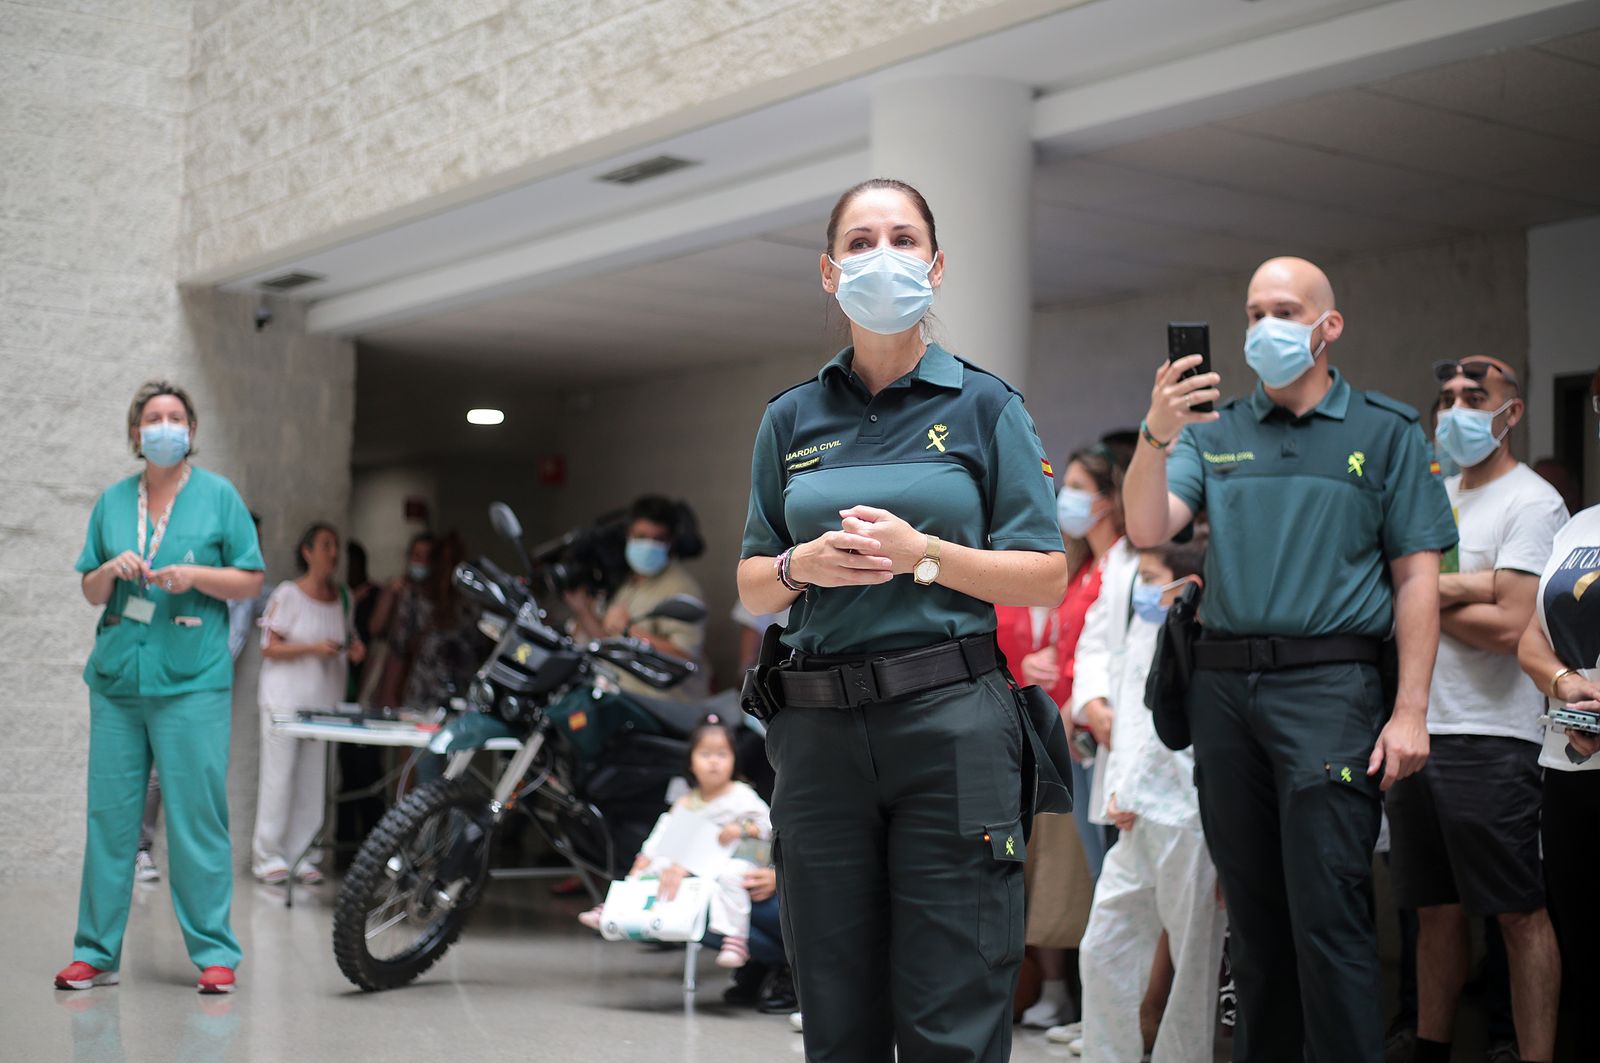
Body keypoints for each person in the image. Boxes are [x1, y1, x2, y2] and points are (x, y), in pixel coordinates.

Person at [737, 178, 1067, 1061]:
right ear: (828, 271)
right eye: (860, 241)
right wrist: (798, 566)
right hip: (818, 735)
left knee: (950, 1007)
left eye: (903, 238)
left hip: (949, 725)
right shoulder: (789, 417)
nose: (882, 256)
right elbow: (754, 581)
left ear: (937, 263)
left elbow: (1045, 573)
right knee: (836, 1009)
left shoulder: (986, 405)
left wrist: (926, 554)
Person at [1123, 257, 1457, 1062]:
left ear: (1327, 326)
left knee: (1330, 913)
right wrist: (1156, 433)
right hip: (1224, 690)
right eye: (1253, 312)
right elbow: (1147, 526)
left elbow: (1418, 577)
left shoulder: (1385, 429)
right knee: (1253, 922)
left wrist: (1411, 709)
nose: (1264, 326)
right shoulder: (1215, 429)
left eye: (1284, 310)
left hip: (1330, 686)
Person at [1386, 356, 1567, 1063]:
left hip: (1495, 736)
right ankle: (1433, 1048)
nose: (1455, 410)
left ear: (1510, 413)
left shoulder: (1533, 503)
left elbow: (1513, 626)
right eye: (1447, 398)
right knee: (1434, 910)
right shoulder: (1432, 496)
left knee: (1518, 913)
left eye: (1474, 396)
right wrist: (1476, 585)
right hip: (1420, 728)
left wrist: (1420, 591)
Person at [57, 381, 264, 995]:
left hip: (191, 681)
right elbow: (91, 590)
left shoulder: (218, 497)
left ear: (191, 432)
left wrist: (195, 575)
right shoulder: (113, 501)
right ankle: (95, 953)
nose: (165, 426)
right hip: (119, 678)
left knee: (198, 817)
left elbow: (250, 580)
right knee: (110, 819)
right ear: (135, 433)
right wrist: (109, 569)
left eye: (176, 417)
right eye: (154, 418)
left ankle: (215, 953)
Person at [1073, 529, 1226, 1062]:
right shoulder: (1145, 629)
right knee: (1104, 945)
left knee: (1192, 964)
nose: (1143, 591)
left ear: (1190, 585)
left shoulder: (1211, 639)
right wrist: (1123, 785)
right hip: (1136, 813)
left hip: (1191, 819)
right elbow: (1133, 721)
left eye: (1153, 580)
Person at [1011, 440, 1131, 1033]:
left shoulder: (1123, 565)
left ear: (1109, 499)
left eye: (1080, 489)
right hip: (1075, 739)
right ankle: (1105, 1013)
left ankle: (1115, 1015)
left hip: (1102, 735)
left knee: (1111, 876)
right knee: (1100, 871)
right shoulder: (1086, 568)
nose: (1067, 500)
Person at [1517, 364, 1600, 1049]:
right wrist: (1566, 681)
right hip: (1572, 764)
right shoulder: (1581, 526)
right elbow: (1530, 637)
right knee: (1580, 943)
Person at [579, 718, 771, 969]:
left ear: (734, 760)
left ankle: (735, 938)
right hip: (693, 861)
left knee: (731, 877)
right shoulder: (686, 800)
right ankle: (615, 909)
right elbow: (665, 831)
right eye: (706, 754)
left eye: (722, 755)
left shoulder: (741, 795)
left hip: (733, 858)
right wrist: (646, 856)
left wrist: (742, 828)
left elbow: (767, 824)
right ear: (691, 762)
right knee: (651, 867)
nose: (714, 761)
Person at [136, 509, 263, 886]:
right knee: (157, 770)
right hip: (174, 681)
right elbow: (141, 607)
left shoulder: (250, 588)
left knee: (201, 769)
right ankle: (139, 850)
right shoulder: (189, 573)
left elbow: (286, 599)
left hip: (213, 690)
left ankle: (193, 858)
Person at [251, 523, 366, 885]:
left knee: (315, 783)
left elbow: (350, 636)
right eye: (326, 545)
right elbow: (269, 646)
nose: (333, 553)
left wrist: (355, 649)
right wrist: (313, 648)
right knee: (279, 779)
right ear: (307, 551)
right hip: (284, 702)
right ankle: (268, 855)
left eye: (336, 546)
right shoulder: (288, 593)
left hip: (325, 704)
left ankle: (304, 854)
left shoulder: (343, 597)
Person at [565, 496, 708, 701]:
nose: (648, 545)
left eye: (658, 539)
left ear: (670, 542)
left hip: (663, 708)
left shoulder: (681, 587)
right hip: (624, 700)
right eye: (641, 537)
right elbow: (610, 644)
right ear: (628, 535)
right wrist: (582, 610)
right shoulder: (628, 583)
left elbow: (683, 660)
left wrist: (630, 630)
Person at [369, 532, 433, 708]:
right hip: (393, 673)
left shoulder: (437, 598)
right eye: (417, 555)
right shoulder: (397, 588)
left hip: (423, 677)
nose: (421, 562)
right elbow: (375, 627)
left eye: (427, 557)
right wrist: (390, 595)